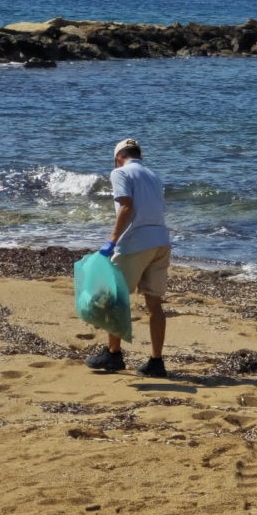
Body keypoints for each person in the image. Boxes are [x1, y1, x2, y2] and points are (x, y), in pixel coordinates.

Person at [91, 138, 171, 377]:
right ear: (139, 155)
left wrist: (112, 241)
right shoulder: (154, 176)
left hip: (135, 242)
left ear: (118, 158)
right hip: (161, 241)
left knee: (115, 299)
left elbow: (126, 207)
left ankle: (113, 355)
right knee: (154, 305)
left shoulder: (120, 173)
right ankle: (156, 362)